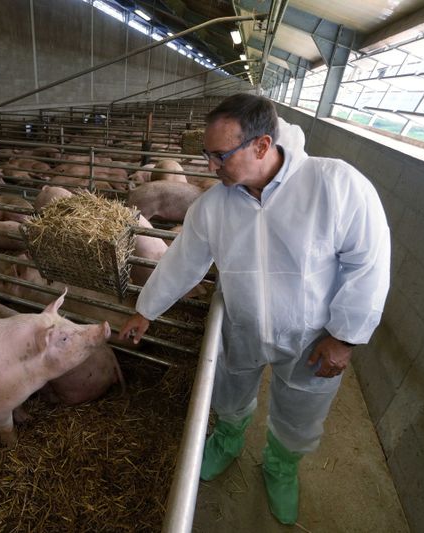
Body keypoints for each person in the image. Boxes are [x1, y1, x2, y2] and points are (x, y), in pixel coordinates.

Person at [118, 93, 391, 525]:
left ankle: (282, 467)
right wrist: (145, 308)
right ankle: (228, 439)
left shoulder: (335, 184)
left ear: (261, 145)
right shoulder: (213, 206)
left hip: (312, 338)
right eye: (207, 155)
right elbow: (184, 260)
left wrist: (345, 336)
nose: (211, 166)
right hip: (242, 326)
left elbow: (369, 262)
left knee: (302, 408)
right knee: (229, 389)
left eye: (220, 155)